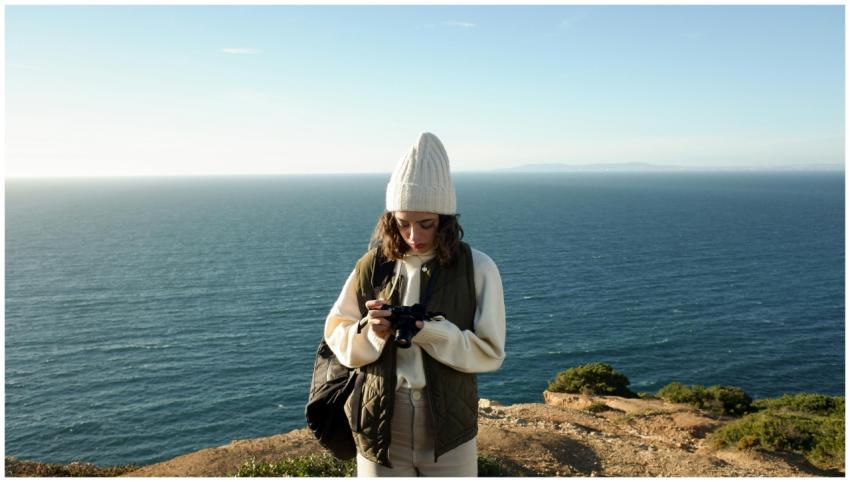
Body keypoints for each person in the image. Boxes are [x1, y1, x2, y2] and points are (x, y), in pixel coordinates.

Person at [323, 132, 507, 477]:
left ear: (446, 220)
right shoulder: (372, 264)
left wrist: (435, 334)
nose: (413, 236)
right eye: (402, 223)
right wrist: (372, 332)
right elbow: (337, 335)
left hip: (448, 425)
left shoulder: (478, 268)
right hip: (379, 420)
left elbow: (491, 352)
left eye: (427, 224)